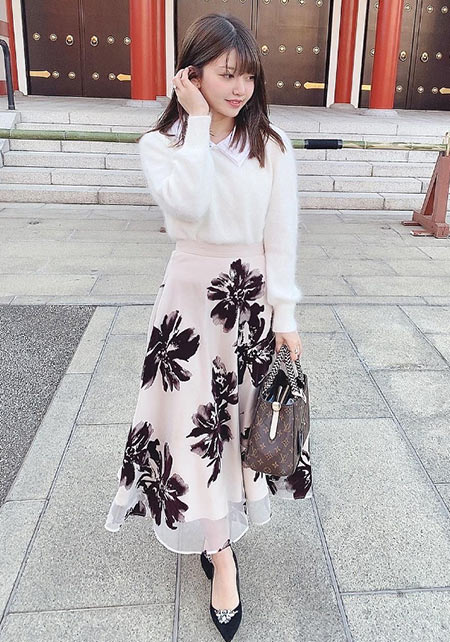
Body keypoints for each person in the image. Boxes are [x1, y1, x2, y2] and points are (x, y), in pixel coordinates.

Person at [105, 12, 312, 641]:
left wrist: (286, 313)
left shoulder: (270, 144)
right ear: (191, 75)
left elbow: (281, 235)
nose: (240, 88)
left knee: (237, 426)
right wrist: (196, 123)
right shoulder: (161, 144)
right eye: (226, 75)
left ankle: (221, 535)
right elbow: (188, 207)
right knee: (193, 429)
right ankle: (221, 557)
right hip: (190, 307)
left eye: (248, 75)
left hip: (247, 304)